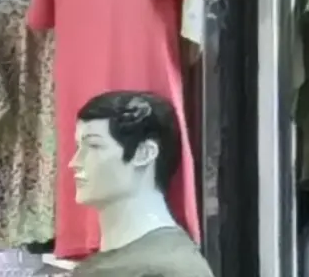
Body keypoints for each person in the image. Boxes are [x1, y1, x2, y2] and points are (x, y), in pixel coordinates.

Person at [69, 90, 214, 276]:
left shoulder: (171, 269)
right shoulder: (112, 262)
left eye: (94, 146)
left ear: (144, 153)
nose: (74, 163)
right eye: (79, 147)